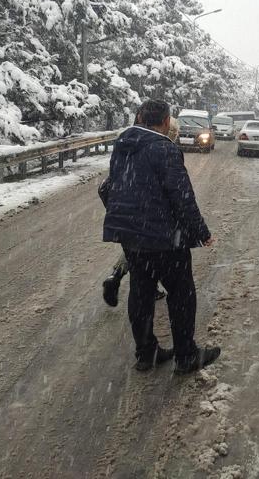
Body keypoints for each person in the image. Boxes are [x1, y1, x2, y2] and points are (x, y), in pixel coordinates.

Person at [102, 99, 221, 373]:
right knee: (181, 294)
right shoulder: (164, 148)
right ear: (166, 121)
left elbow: (112, 186)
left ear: (140, 117)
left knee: (141, 294)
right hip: (164, 238)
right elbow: (182, 197)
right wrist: (200, 232)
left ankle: (146, 353)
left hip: (132, 237)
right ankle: (186, 355)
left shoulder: (122, 145)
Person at [100, 108, 166, 307]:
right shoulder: (158, 149)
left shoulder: (128, 143)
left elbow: (110, 183)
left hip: (121, 208)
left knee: (133, 250)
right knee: (150, 252)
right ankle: (146, 288)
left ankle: (116, 276)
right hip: (146, 215)